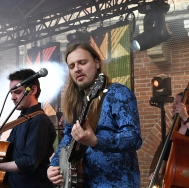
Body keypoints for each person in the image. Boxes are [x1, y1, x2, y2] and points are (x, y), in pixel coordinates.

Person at [47, 42, 142, 187]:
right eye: (71, 66)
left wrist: (96, 141)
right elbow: (67, 138)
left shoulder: (117, 93)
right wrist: (53, 167)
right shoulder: (75, 103)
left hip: (118, 183)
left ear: (97, 63)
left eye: (82, 62)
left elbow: (134, 137)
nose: (77, 69)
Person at [0, 68, 56, 188]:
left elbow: (29, 163)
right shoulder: (22, 119)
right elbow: (6, 151)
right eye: (11, 93)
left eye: (18, 92)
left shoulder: (39, 121)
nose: (12, 97)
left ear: (33, 90)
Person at [149, 92, 189, 181]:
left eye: (177, 103)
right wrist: (158, 173)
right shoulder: (174, 130)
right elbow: (166, 155)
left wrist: (186, 117)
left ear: (187, 107)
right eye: (173, 103)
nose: (173, 106)